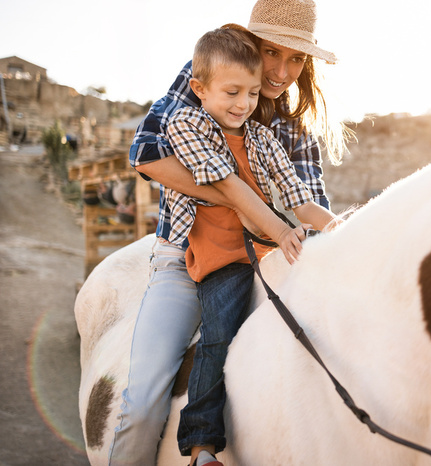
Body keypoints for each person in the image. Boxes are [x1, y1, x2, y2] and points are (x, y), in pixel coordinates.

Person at [108, 1, 348, 465]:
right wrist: (242, 200)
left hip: (265, 259)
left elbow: (306, 208)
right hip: (184, 255)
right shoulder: (207, 78)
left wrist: (338, 230)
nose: (281, 71)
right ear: (250, 44)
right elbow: (148, 155)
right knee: (139, 404)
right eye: (272, 52)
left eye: (296, 59)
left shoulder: (292, 131)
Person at [164, 27, 334, 466]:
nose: (243, 104)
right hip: (223, 260)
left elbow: (298, 198)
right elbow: (228, 184)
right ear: (199, 89)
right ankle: (201, 445)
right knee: (218, 334)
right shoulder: (187, 124)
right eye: (233, 92)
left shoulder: (261, 138)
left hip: (263, 257)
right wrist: (279, 232)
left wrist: (339, 227)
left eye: (253, 94)